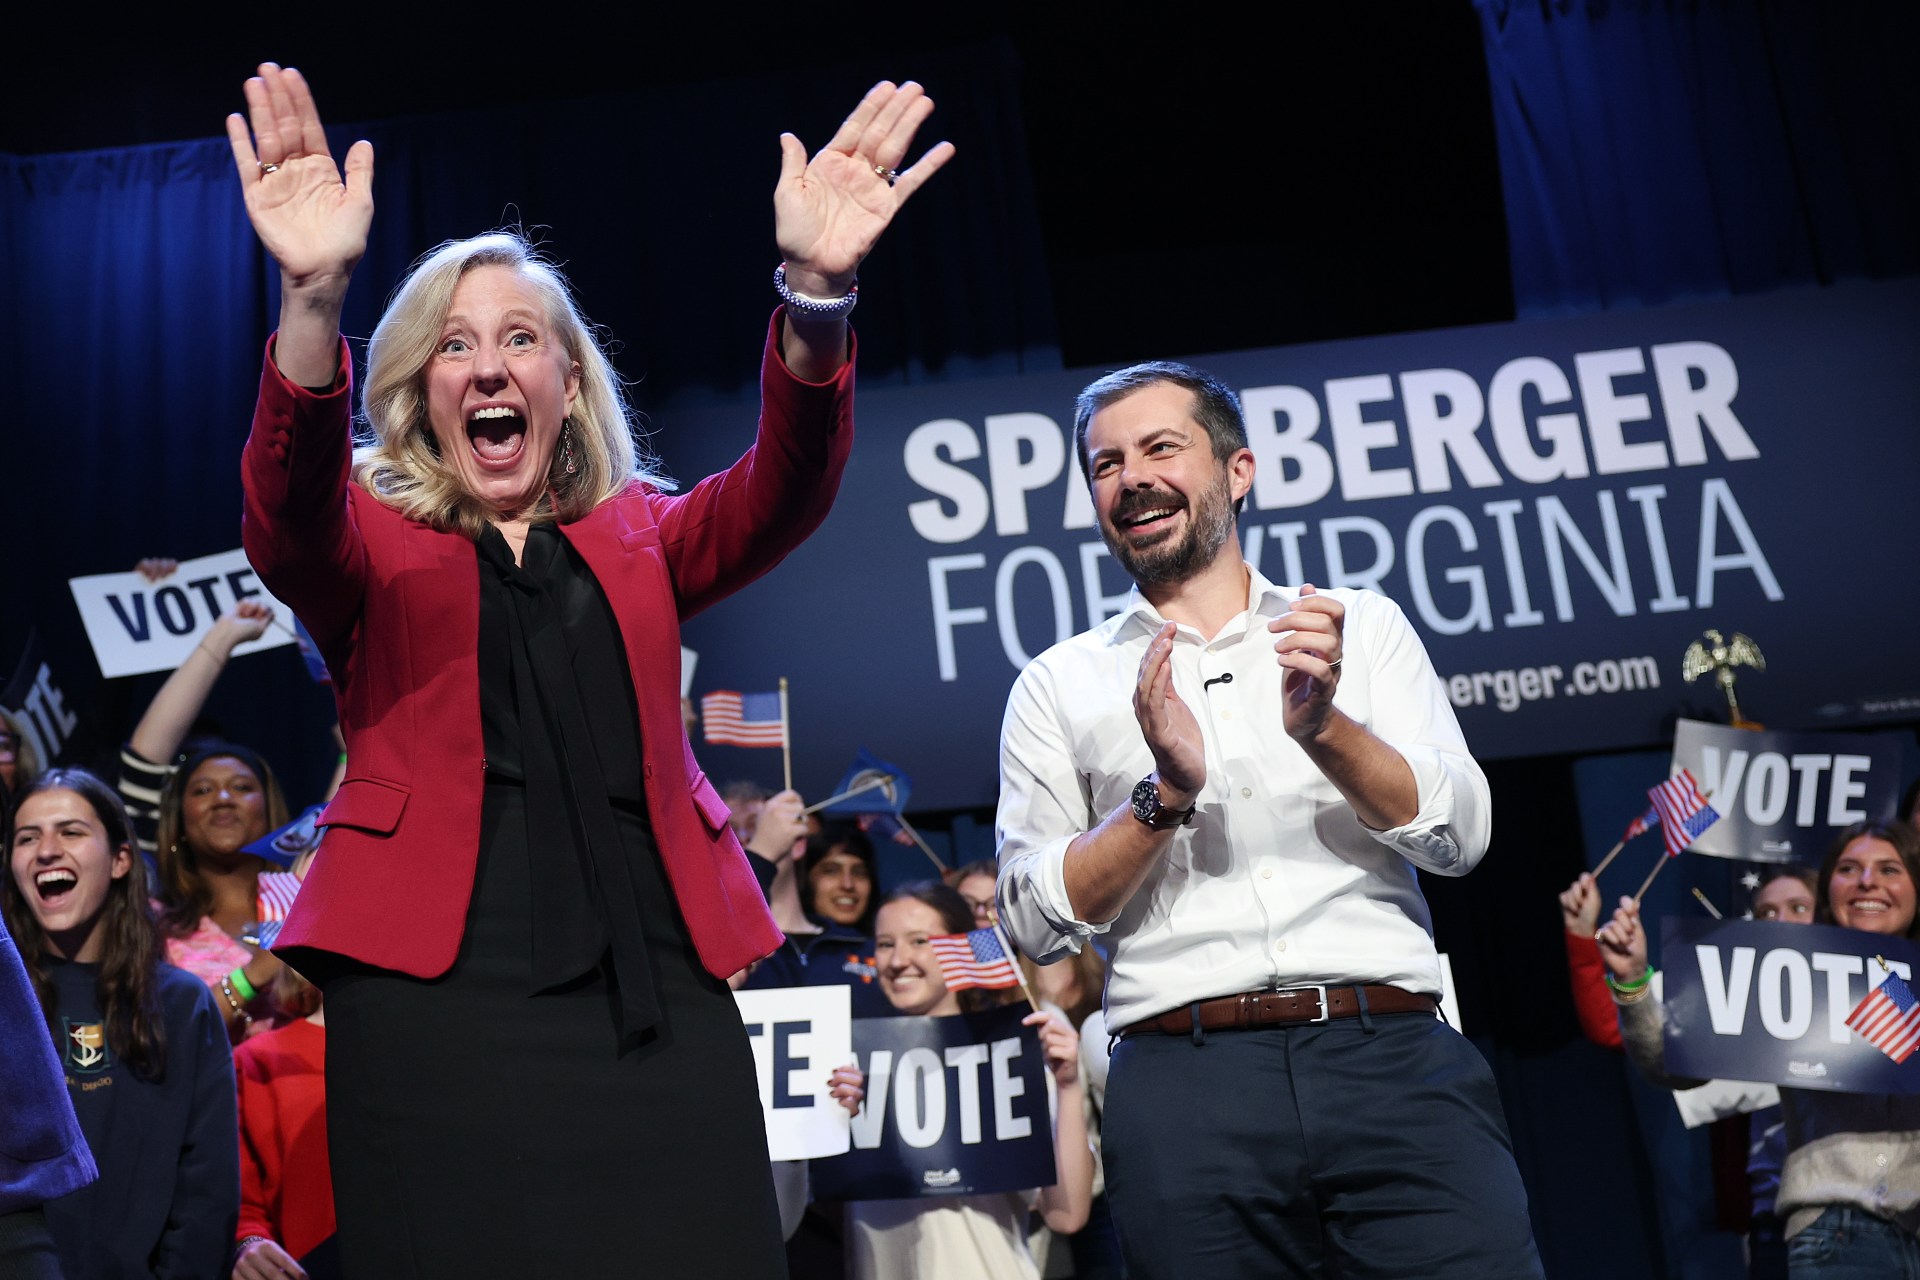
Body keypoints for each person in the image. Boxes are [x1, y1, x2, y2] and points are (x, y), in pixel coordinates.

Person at [227, 62, 951, 1275]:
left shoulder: (643, 536)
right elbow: (284, 514)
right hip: (430, 992)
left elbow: (784, 486)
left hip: (654, 975)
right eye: (455, 347)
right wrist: (311, 301)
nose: (492, 366)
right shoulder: (368, 545)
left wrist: (819, 297)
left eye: (523, 340)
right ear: (418, 391)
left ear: (568, 383)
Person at [995, 360, 1541, 1278]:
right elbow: (1033, 920)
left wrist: (1325, 728)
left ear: (1237, 471)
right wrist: (1162, 796)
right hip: (1185, 1088)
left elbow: (1462, 835)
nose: (1132, 479)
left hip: (1392, 1057)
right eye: (1105, 465)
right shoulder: (1059, 683)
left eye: (1161, 448)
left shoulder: (1354, 629)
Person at [1597, 819, 1920, 1279]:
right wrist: (1631, 982)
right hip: (1838, 1235)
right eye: (1849, 868)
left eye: (1889, 869)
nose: (1868, 881)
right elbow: (1672, 1064)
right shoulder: (1789, 978)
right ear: (1828, 889)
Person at [3, 768, 238, 1279]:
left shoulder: (180, 1003)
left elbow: (207, 1189)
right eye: (27, 838)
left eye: (70, 831)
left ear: (120, 860)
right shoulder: (5, 1004)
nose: (46, 850)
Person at [847, 882, 1092, 1280]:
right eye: (885, 944)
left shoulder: (1009, 1057)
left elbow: (1066, 1214)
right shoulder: (851, 1069)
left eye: (920, 941)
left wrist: (1067, 1086)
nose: (898, 959)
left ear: (959, 948)